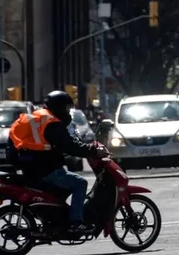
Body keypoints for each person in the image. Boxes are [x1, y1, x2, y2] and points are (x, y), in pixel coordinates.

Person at [9, 91, 106, 233]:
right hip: (48, 170)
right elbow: (68, 145)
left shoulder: (37, 117)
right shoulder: (51, 123)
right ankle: (76, 222)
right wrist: (91, 150)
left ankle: (60, 217)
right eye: (66, 108)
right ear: (59, 107)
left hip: (32, 168)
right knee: (80, 183)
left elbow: (64, 141)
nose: (68, 112)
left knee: (65, 184)